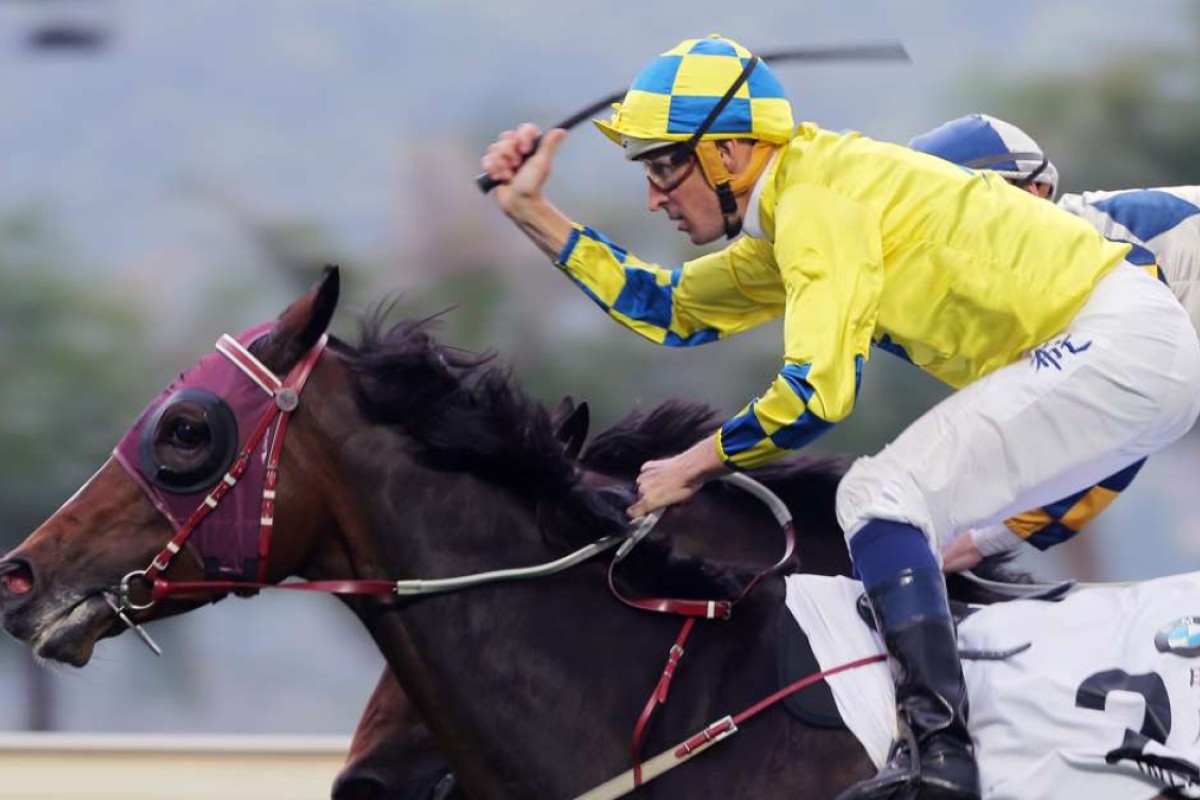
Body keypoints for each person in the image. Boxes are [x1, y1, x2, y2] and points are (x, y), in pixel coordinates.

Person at [479, 35, 1200, 799]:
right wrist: (531, 211)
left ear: (729, 154)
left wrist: (695, 464)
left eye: (664, 164)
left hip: (1125, 331)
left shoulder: (821, 200)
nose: (655, 194)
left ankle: (939, 757)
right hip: (1125, 348)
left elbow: (820, 394)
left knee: (875, 497)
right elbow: (669, 310)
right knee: (908, 518)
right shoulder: (794, 210)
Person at [910, 114, 1200, 574]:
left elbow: (1129, 415)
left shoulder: (1088, 253)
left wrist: (977, 542)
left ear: (1035, 193)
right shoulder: (1026, 286)